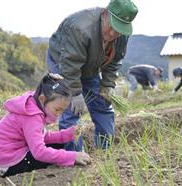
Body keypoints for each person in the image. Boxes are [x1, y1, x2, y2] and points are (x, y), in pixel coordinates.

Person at [46, 0, 138, 150]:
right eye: (112, 27)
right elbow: (70, 64)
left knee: (103, 104)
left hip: (90, 66)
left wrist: (107, 85)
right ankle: (73, 155)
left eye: (120, 30)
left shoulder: (122, 34)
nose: (114, 34)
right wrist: (75, 93)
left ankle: (104, 150)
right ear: (104, 14)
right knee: (71, 109)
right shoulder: (79, 27)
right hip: (63, 62)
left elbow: (115, 60)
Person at [0, 73, 91, 177]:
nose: (58, 114)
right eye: (57, 109)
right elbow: (39, 152)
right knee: (57, 152)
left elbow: (42, 137)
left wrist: (67, 135)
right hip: (10, 163)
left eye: (62, 111)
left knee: (59, 145)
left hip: (13, 156)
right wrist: (72, 156)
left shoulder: (35, 104)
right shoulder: (32, 117)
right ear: (42, 99)